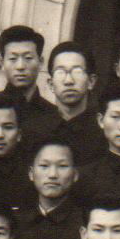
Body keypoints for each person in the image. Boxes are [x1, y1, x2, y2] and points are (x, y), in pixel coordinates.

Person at [11, 136, 85, 239]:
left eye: (62, 166)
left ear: (75, 174)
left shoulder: (85, 223)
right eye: (44, 166)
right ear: (31, 174)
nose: (52, 175)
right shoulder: (15, 222)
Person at [22, 40, 103, 168]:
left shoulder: (104, 131)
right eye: (61, 72)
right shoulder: (33, 130)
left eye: (77, 71)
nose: (68, 81)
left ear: (91, 81)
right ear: (50, 84)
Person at [0, 24, 57, 131]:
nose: (20, 66)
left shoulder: (54, 115)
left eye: (28, 58)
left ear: (41, 62)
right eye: (13, 58)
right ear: (2, 63)